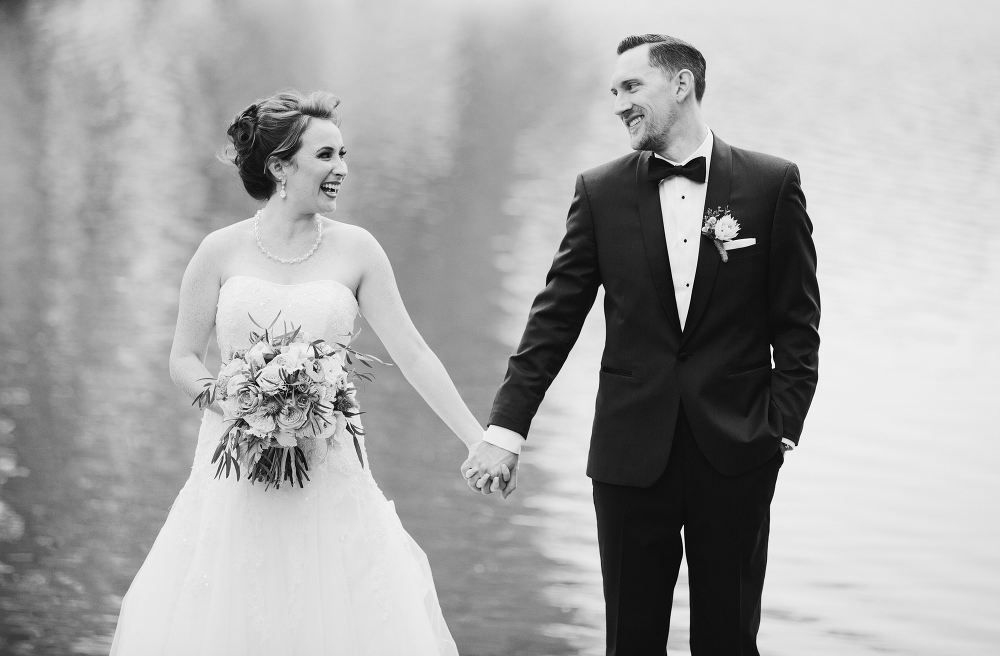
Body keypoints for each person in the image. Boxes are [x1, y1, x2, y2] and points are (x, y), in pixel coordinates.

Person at [463, 34, 821, 654]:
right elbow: (555, 317)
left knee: (730, 639)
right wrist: (505, 429)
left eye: (632, 88)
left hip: (737, 451)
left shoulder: (770, 185)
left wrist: (780, 428)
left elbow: (798, 323)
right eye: (614, 91)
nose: (619, 104)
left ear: (680, 86)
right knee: (630, 640)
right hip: (630, 457)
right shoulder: (600, 191)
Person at [110, 90, 482, 655]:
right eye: (327, 156)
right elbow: (183, 358)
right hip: (233, 474)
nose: (343, 169)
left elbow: (413, 353)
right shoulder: (218, 251)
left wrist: (478, 440)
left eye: (343, 154)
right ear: (280, 167)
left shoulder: (358, 249)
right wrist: (232, 400)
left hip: (330, 472)